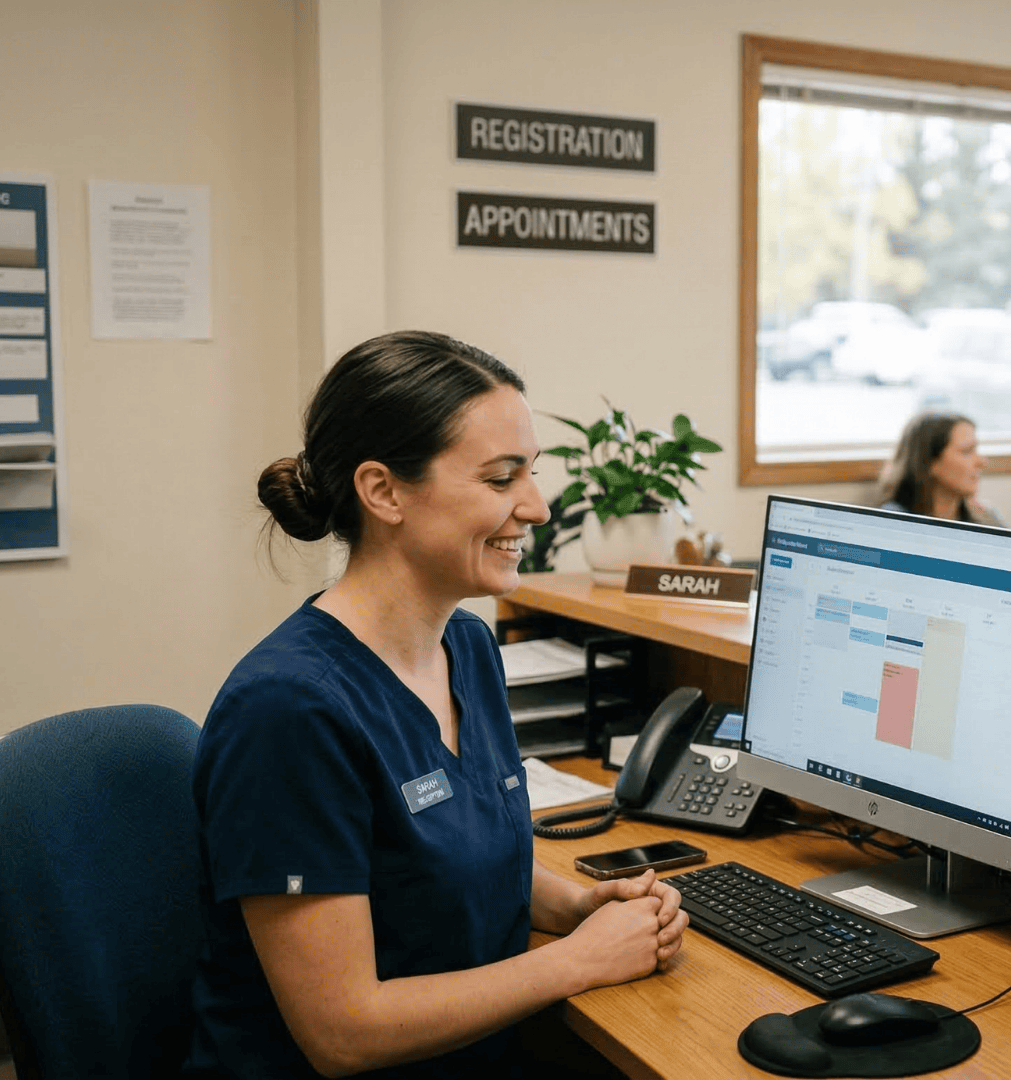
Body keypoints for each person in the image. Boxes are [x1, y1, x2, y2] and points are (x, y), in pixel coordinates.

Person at [187, 331, 688, 1079]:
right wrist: (576, 963)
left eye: (533, 473)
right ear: (383, 491)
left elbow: (446, 859)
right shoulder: (289, 712)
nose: (538, 507)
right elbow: (342, 1032)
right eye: (499, 479)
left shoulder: (468, 646)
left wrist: (574, 909)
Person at [875, 410, 1003, 524]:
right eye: (966, 451)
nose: (982, 462)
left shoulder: (985, 515)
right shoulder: (893, 522)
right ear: (929, 462)